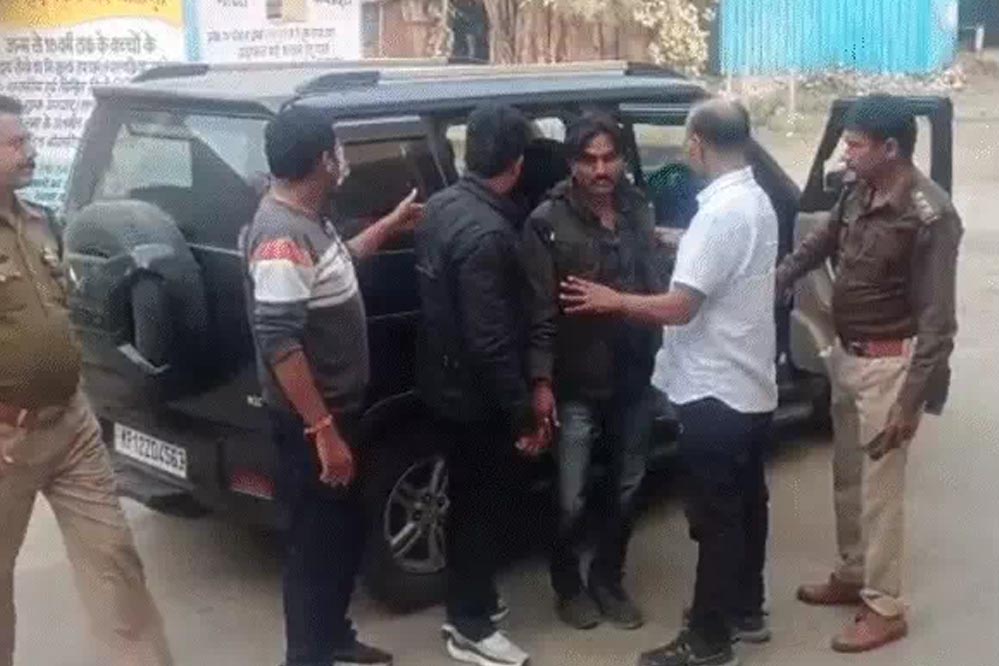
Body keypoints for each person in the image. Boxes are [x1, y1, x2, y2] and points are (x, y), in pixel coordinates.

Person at [561, 98, 778, 666]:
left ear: (697, 144)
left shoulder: (720, 216)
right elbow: (727, 261)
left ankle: (707, 640)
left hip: (714, 391)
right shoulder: (754, 200)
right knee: (747, 504)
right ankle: (746, 610)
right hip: (749, 384)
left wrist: (613, 300)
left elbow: (681, 308)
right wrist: (678, 241)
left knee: (716, 518)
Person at [776, 94, 962, 653]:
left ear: (890, 148)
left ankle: (884, 606)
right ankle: (854, 571)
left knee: (881, 493)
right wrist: (782, 275)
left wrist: (912, 399)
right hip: (848, 356)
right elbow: (822, 240)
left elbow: (938, 321)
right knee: (848, 477)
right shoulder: (858, 190)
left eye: (855, 145)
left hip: (890, 367)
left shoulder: (929, 215)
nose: (846, 154)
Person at [241, 107, 422, 666]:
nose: (343, 160)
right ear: (324, 160)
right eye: (338, 151)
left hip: (339, 414)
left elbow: (338, 264)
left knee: (340, 536)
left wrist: (388, 225)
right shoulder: (281, 238)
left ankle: (334, 636)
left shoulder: (308, 221)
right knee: (314, 550)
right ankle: (308, 655)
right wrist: (323, 431)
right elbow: (280, 343)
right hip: (312, 424)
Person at [0, 95, 173, 666]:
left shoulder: (39, 221)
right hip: (7, 438)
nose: (30, 151)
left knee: (114, 560)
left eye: (28, 139)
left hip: (71, 427)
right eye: (15, 144)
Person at [415, 104, 545, 666]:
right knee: (479, 507)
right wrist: (523, 414)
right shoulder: (490, 234)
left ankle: (475, 599)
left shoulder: (441, 205)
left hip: (441, 383)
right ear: (516, 165)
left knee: (465, 501)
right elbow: (490, 341)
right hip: (475, 399)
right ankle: (469, 624)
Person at [521, 113, 661, 632]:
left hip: (635, 374)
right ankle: (568, 586)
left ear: (622, 159)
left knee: (628, 484)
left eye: (609, 158)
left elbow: (653, 282)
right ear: (572, 163)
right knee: (570, 495)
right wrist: (541, 384)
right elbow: (538, 311)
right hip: (575, 380)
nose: (601, 170)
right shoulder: (547, 221)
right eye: (589, 160)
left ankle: (608, 579)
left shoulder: (639, 207)